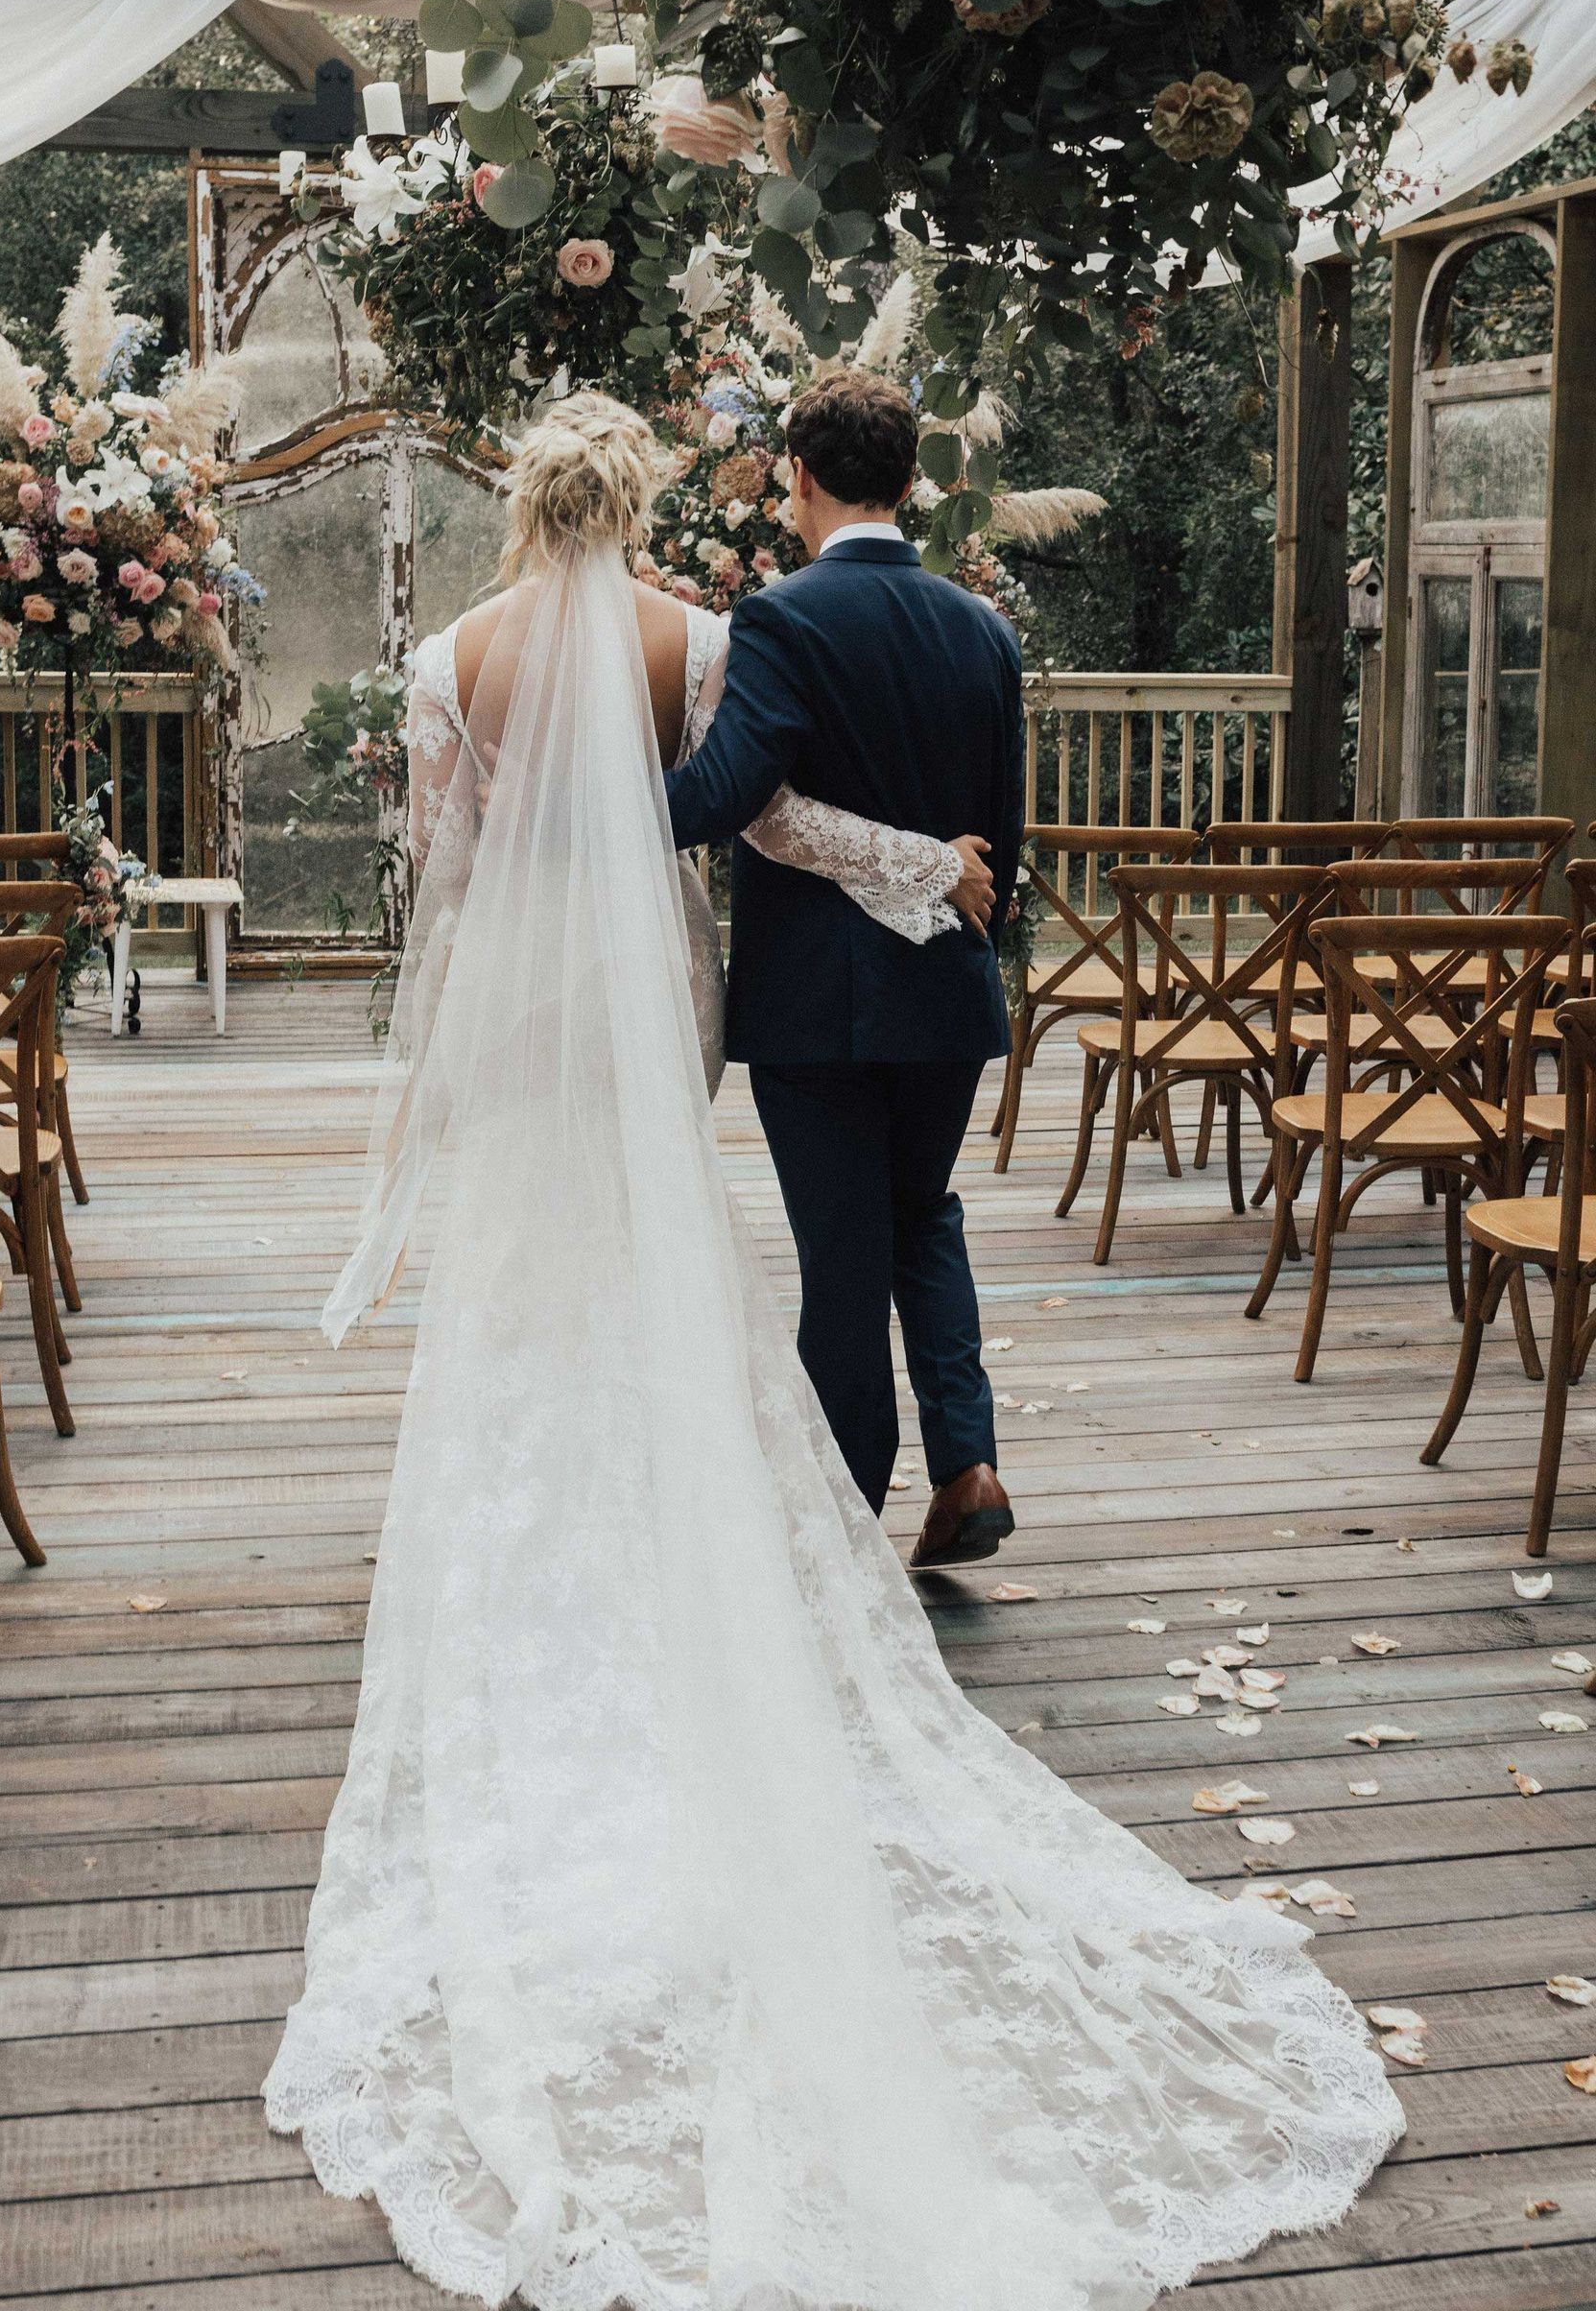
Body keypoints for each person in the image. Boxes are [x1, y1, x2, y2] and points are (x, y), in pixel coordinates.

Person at [267, 391, 1400, 2311]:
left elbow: (446, 859)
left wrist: (466, 982)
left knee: (556, 1270)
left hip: (543, 998)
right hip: (683, 994)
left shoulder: (451, 653)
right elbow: (758, 815)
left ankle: (659, 1499)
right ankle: (888, 1476)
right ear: (635, 498)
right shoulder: (722, 636)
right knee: (814, 1239)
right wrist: (948, 880)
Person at [665, 369, 1019, 1564]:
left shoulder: (783, 618)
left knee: (842, 1258)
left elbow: (724, 796)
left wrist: (577, 798)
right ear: (911, 482)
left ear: (800, 480)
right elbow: (999, 843)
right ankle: (966, 1464)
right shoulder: (985, 630)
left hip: (818, 1008)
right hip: (945, 991)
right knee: (923, 1214)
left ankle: (841, 1532)